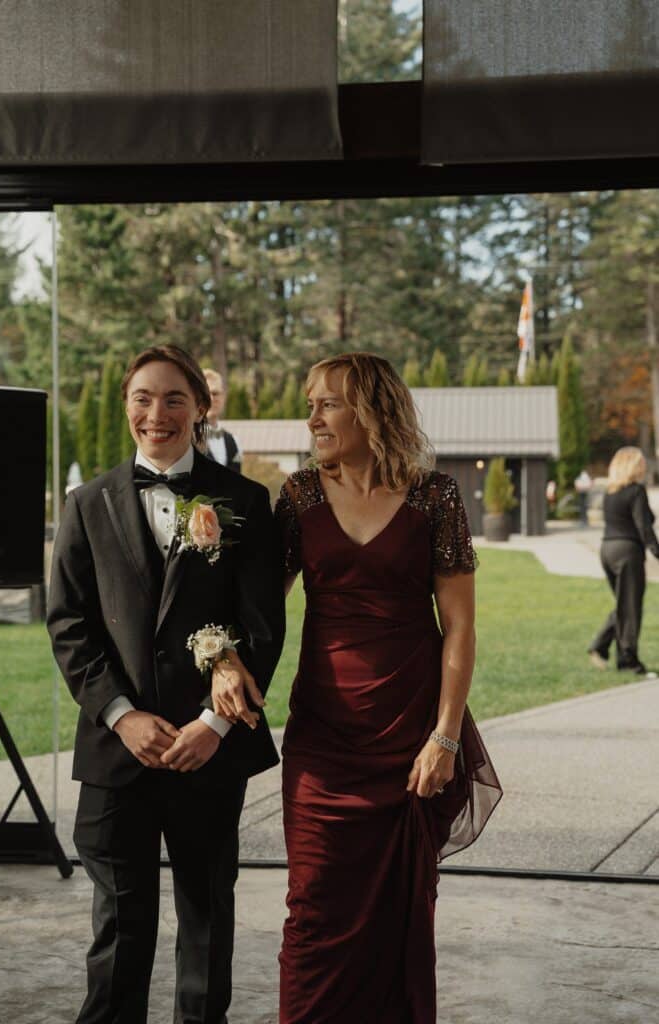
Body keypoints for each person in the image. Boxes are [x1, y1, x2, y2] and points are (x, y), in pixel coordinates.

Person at [47, 344, 285, 1024]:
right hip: (116, 753)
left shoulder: (244, 502)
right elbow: (68, 625)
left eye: (174, 398)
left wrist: (212, 727)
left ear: (200, 408)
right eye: (142, 398)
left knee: (207, 916)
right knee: (119, 926)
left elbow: (261, 628)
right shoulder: (85, 505)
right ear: (127, 407)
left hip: (207, 752)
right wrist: (121, 715)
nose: (157, 413)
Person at [272, 352, 502, 1024]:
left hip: (411, 741)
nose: (311, 415)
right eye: (309, 402)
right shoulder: (297, 496)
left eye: (327, 403)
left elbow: (457, 628)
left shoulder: (436, 496)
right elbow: (258, 611)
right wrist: (220, 661)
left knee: (405, 918)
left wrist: (444, 736)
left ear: (371, 409)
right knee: (311, 914)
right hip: (321, 738)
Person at [588, 446, 659, 675]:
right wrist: (656, 551)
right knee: (631, 607)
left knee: (623, 605)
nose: (644, 467)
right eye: (641, 463)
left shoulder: (610, 493)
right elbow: (643, 525)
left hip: (607, 550)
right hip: (628, 552)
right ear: (632, 466)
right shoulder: (636, 490)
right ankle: (628, 661)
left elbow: (640, 517)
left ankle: (602, 648)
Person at [201, 368, 242, 473]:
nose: (211, 399)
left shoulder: (234, 441)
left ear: (223, 397)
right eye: (206, 393)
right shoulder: (184, 441)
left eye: (215, 393)